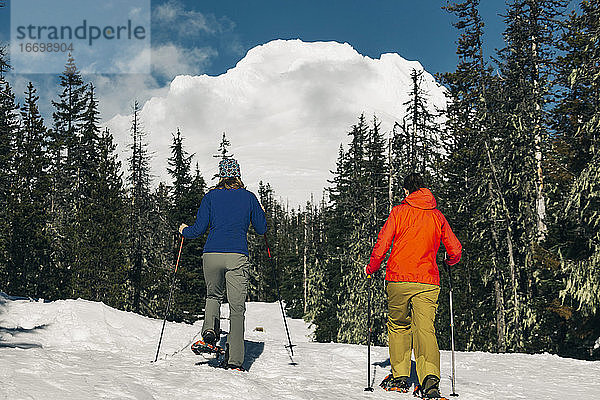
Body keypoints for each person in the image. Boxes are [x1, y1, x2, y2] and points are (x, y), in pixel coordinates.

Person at [365, 173, 461, 398]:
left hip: (398, 279)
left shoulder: (399, 212)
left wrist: (371, 268)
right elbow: (455, 249)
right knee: (425, 328)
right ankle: (429, 379)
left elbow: (382, 245)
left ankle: (400, 376)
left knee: (399, 325)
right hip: (428, 282)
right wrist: (448, 261)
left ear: (407, 191)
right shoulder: (437, 216)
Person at [179, 158, 267, 371]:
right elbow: (262, 229)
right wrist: (261, 211)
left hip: (211, 254)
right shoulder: (249, 198)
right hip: (237, 256)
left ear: (221, 175)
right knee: (237, 308)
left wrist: (183, 230)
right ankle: (235, 360)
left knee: (213, 296)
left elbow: (198, 229)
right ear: (238, 174)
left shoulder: (210, 197)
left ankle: (209, 332)